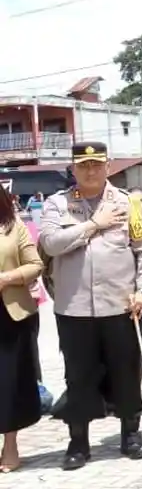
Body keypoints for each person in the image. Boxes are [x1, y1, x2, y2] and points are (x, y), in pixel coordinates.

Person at [39, 142, 142, 470]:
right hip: (74, 308)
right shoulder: (56, 204)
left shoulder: (129, 202)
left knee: (126, 371)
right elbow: (50, 243)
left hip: (120, 305)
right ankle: (78, 442)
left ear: (108, 166)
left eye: (96, 164)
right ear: (73, 169)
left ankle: (130, 435)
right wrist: (94, 224)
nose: (90, 170)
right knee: (79, 376)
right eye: (83, 165)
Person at [0, 182, 43, 473]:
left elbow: (35, 264)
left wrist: (5, 278)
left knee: (8, 384)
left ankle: (10, 445)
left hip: (10, 316)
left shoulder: (12, 226)